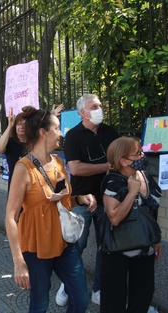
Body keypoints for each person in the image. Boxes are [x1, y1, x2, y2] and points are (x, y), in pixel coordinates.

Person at [5, 108, 96, 312]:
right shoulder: (23, 168)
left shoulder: (59, 163)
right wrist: (18, 261)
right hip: (36, 246)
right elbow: (10, 216)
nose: (61, 133)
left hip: (64, 241)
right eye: (57, 128)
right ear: (43, 133)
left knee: (80, 299)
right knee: (40, 303)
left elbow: (60, 201)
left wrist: (79, 198)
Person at [61, 94, 119, 306]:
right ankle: (68, 285)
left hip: (108, 198)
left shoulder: (110, 132)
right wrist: (106, 167)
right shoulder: (74, 136)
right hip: (83, 200)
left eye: (100, 105)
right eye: (94, 106)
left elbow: (121, 158)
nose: (99, 109)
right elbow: (76, 168)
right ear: (82, 112)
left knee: (106, 246)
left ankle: (99, 288)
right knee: (78, 243)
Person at [100, 137, 162, 313]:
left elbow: (150, 212)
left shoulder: (145, 176)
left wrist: (155, 238)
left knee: (143, 297)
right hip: (117, 251)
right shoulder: (113, 182)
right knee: (114, 302)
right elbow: (114, 218)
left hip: (144, 248)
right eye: (138, 153)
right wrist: (132, 192)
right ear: (123, 160)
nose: (143, 155)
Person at [0, 107, 27, 190]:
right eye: (18, 124)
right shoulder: (11, 142)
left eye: (24, 124)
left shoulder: (33, 143)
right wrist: (9, 126)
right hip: (15, 187)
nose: (21, 127)